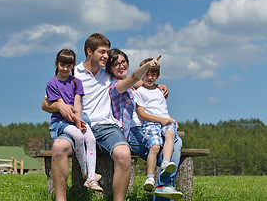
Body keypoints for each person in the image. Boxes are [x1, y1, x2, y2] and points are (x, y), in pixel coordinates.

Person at [42, 33, 170, 201]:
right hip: (78, 124)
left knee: (124, 153)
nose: (106, 56)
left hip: (106, 127)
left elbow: (131, 80)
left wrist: (155, 85)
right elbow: (45, 104)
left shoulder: (108, 74)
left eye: (107, 52)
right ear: (89, 51)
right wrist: (59, 105)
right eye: (102, 52)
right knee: (59, 147)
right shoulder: (74, 74)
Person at [106, 49, 183, 200]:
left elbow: (143, 84)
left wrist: (156, 84)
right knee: (169, 151)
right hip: (133, 132)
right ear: (109, 69)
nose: (121, 66)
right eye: (116, 64)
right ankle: (163, 187)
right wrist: (148, 67)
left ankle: (162, 187)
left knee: (175, 142)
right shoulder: (114, 86)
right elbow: (134, 79)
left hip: (150, 126)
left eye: (123, 62)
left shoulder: (136, 85)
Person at [45, 49, 102, 192]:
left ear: (73, 66)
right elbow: (62, 106)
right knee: (78, 136)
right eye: (62, 65)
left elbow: (78, 104)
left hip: (78, 117)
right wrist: (75, 120)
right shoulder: (52, 83)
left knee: (90, 138)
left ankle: (91, 178)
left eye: (69, 66)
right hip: (61, 122)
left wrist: (79, 119)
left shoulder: (76, 82)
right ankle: (86, 173)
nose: (65, 69)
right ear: (56, 64)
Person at [134, 58, 179, 192]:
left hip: (164, 120)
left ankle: (165, 162)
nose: (149, 77)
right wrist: (161, 120)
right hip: (151, 123)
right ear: (141, 75)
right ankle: (150, 177)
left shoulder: (159, 91)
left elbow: (162, 110)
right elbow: (142, 114)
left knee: (170, 135)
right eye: (146, 74)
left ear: (157, 76)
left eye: (153, 75)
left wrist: (171, 119)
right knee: (155, 146)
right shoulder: (139, 92)